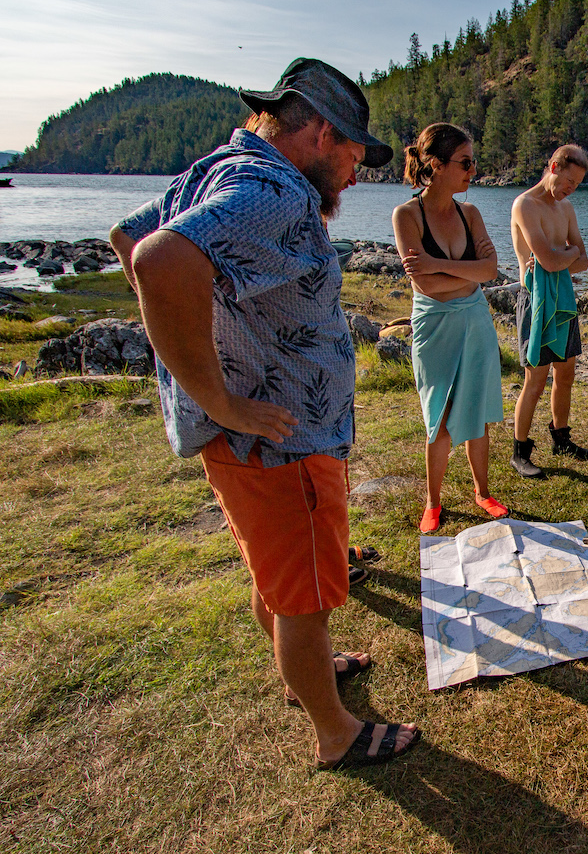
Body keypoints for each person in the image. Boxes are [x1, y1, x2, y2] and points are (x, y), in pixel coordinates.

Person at [108, 58, 419, 771]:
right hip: (281, 444)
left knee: (276, 580)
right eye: (351, 154)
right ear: (317, 132)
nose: (355, 171)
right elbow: (157, 259)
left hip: (247, 445)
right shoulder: (274, 190)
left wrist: (206, 348)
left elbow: (127, 236)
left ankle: (300, 674)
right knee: (305, 598)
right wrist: (217, 394)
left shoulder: (220, 167)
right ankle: (336, 732)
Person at [391, 123, 508, 532]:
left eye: (472, 161)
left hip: (475, 321)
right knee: (437, 417)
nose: (472, 170)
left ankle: (482, 491)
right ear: (436, 165)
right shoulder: (407, 215)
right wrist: (468, 275)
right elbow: (426, 286)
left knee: (477, 410)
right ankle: (433, 501)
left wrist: (439, 264)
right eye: (465, 162)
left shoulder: (470, 212)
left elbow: (490, 271)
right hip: (434, 327)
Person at [508, 144, 588, 477]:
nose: (570, 189)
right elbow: (549, 259)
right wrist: (566, 254)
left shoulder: (566, 207)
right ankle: (520, 451)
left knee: (566, 374)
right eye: (568, 181)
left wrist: (564, 255)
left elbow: (582, 260)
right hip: (537, 302)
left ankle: (562, 438)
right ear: (553, 167)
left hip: (564, 301)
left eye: (576, 185)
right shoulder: (525, 205)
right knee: (536, 380)